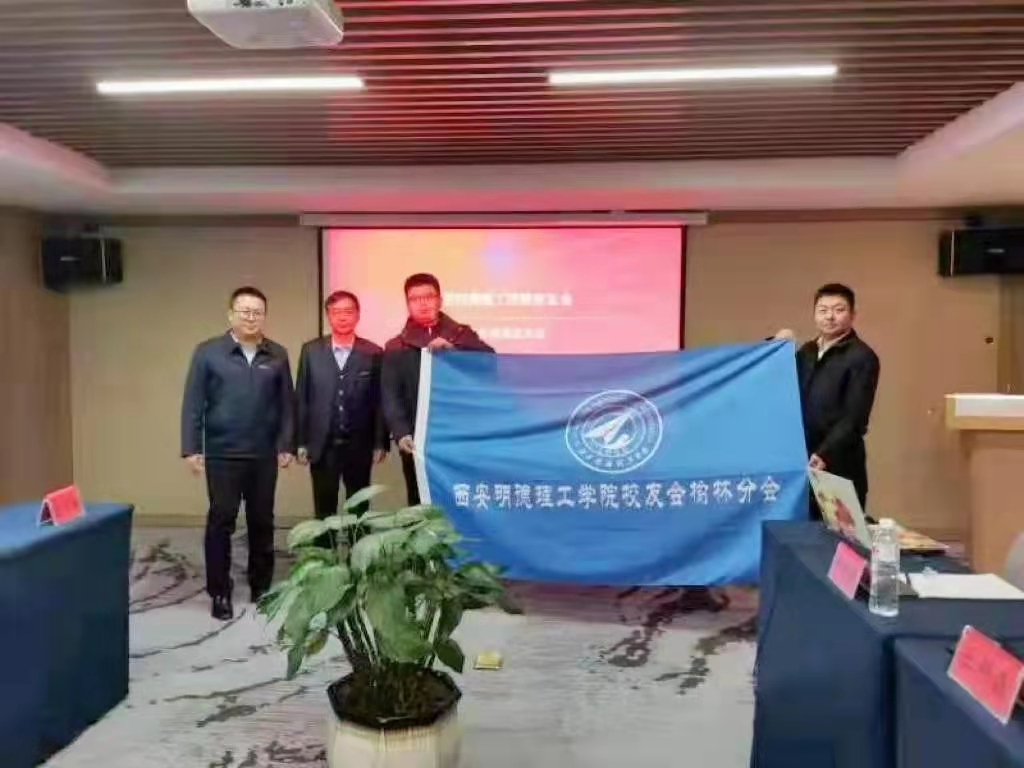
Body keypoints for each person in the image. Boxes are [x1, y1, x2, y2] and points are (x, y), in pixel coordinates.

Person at [181, 286, 295, 620]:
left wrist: (286, 444)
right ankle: (220, 591)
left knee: (262, 521)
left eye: (257, 312)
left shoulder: (277, 354)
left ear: (264, 316)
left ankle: (261, 586)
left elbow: (287, 406)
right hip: (223, 453)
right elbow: (193, 403)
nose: (251, 317)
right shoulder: (208, 352)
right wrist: (191, 447)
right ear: (231, 314)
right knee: (221, 521)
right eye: (244, 311)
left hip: (263, 454)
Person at [381, 273, 494, 505]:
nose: (423, 303)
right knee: (418, 498)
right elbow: (391, 394)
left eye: (429, 297)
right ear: (407, 304)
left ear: (440, 300)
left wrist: (455, 351)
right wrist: (401, 432)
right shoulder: (396, 346)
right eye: (415, 299)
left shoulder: (462, 335)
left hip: (459, 433)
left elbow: (490, 364)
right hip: (416, 437)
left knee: (461, 495)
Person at [775, 283, 880, 515]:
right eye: (823, 310)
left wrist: (825, 454)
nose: (830, 317)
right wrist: (776, 346)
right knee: (802, 529)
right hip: (801, 459)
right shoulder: (807, 352)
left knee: (839, 531)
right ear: (814, 314)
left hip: (838, 462)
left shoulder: (862, 357)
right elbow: (776, 381)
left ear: (853, 315)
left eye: (838, 310)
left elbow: (854, 418)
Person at [296, 290, 388, 527]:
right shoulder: (311, 351)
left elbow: (380, 401)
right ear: (328, 316)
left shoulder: (373, 352)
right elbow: (303, 397)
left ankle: (358, 551)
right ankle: (324, 550)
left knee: (359, 507)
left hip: (360, 443)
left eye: (348, 311)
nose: (343, 317)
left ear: (358, 315)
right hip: (322, 444)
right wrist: (301, 441)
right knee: (323, 508)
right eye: (336, 312)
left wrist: (380, 442)